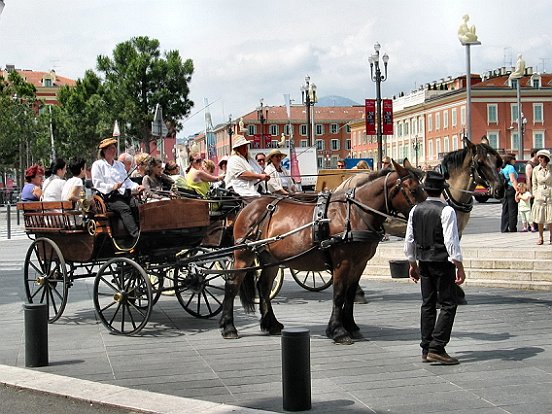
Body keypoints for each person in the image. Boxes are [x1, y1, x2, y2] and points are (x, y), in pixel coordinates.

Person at [404, 171, 466, 365]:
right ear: (442, 190)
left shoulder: (415, 210)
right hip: (441, 261)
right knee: (448, 304)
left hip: (423, 261)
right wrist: (459, 266)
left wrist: (412, 264)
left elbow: (409, 241)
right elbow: (451, 242)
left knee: (428, 304)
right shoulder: (447, 211)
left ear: (425, 189)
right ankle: (437, 347)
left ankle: (426, 346)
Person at [91, 137, 143, 239]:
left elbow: (127, 182)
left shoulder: (119, 165)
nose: (114, 150)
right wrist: (112, 186)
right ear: (104, 151)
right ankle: (136, 236)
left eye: (114, 148)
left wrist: (137, 187)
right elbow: (97, 184)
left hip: (124, 195)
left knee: (138, 205)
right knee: (125, 209)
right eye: (110, 148)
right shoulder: (98, 165)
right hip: (109, 198)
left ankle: (143, 230)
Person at [531, 149, 552, 245]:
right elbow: (534, 184)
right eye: (539, 157)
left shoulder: (551, 168)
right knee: (540, 218)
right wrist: (535, 194)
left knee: (550, 217)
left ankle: (551, 235)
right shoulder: (535, 170)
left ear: (546, 158)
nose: (540, 159)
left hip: (550, 193)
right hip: (539, 195)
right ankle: (540, 236)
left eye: (542, 157)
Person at [500, 154, 519, 233]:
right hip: (511, 189)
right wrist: (517, 190)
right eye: (514, 159)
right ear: (510, 160)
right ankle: (512, 227)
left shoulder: (503, 168)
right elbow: (512, 179)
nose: (515, 161)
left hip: (505, 189)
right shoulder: (510, 167)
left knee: (505, 209)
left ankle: (504, 228)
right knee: (513, 210)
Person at [526, 149, 540, 231]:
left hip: (538, 188)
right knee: (532, 207)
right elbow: (528, 178)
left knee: (537, 207)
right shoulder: (529, 165)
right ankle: (532, 225)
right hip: (532, 188)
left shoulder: (537, 163)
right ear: (534, 154)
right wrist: (529, 190)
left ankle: (537, 224)